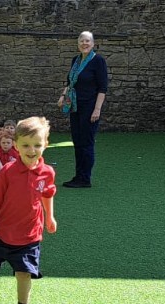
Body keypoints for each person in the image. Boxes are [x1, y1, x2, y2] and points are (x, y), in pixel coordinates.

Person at [0, 116, 57, 304]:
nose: (32, 150)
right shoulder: (7, 172)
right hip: (2, 233)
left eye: (37, 145)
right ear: (16, 145)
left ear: (45, 144)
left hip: (30, 235)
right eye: (26, 145)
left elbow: (48, 194)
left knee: (24, 273)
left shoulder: (47, 173)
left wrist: (50, 217)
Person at [57, 30, 108, 188]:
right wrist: (62, 96)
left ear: (93, 44)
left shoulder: (98, 61)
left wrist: (97, 110)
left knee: (86, 143)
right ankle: (78, 176)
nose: (84, 44)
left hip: (89, 108)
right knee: (78, 142)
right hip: (75, 107)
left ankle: (85, 178)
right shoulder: (76, 60)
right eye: (81, 41)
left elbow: (102, 88)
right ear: (78, 43)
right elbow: (70, 82)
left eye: (87, 41)